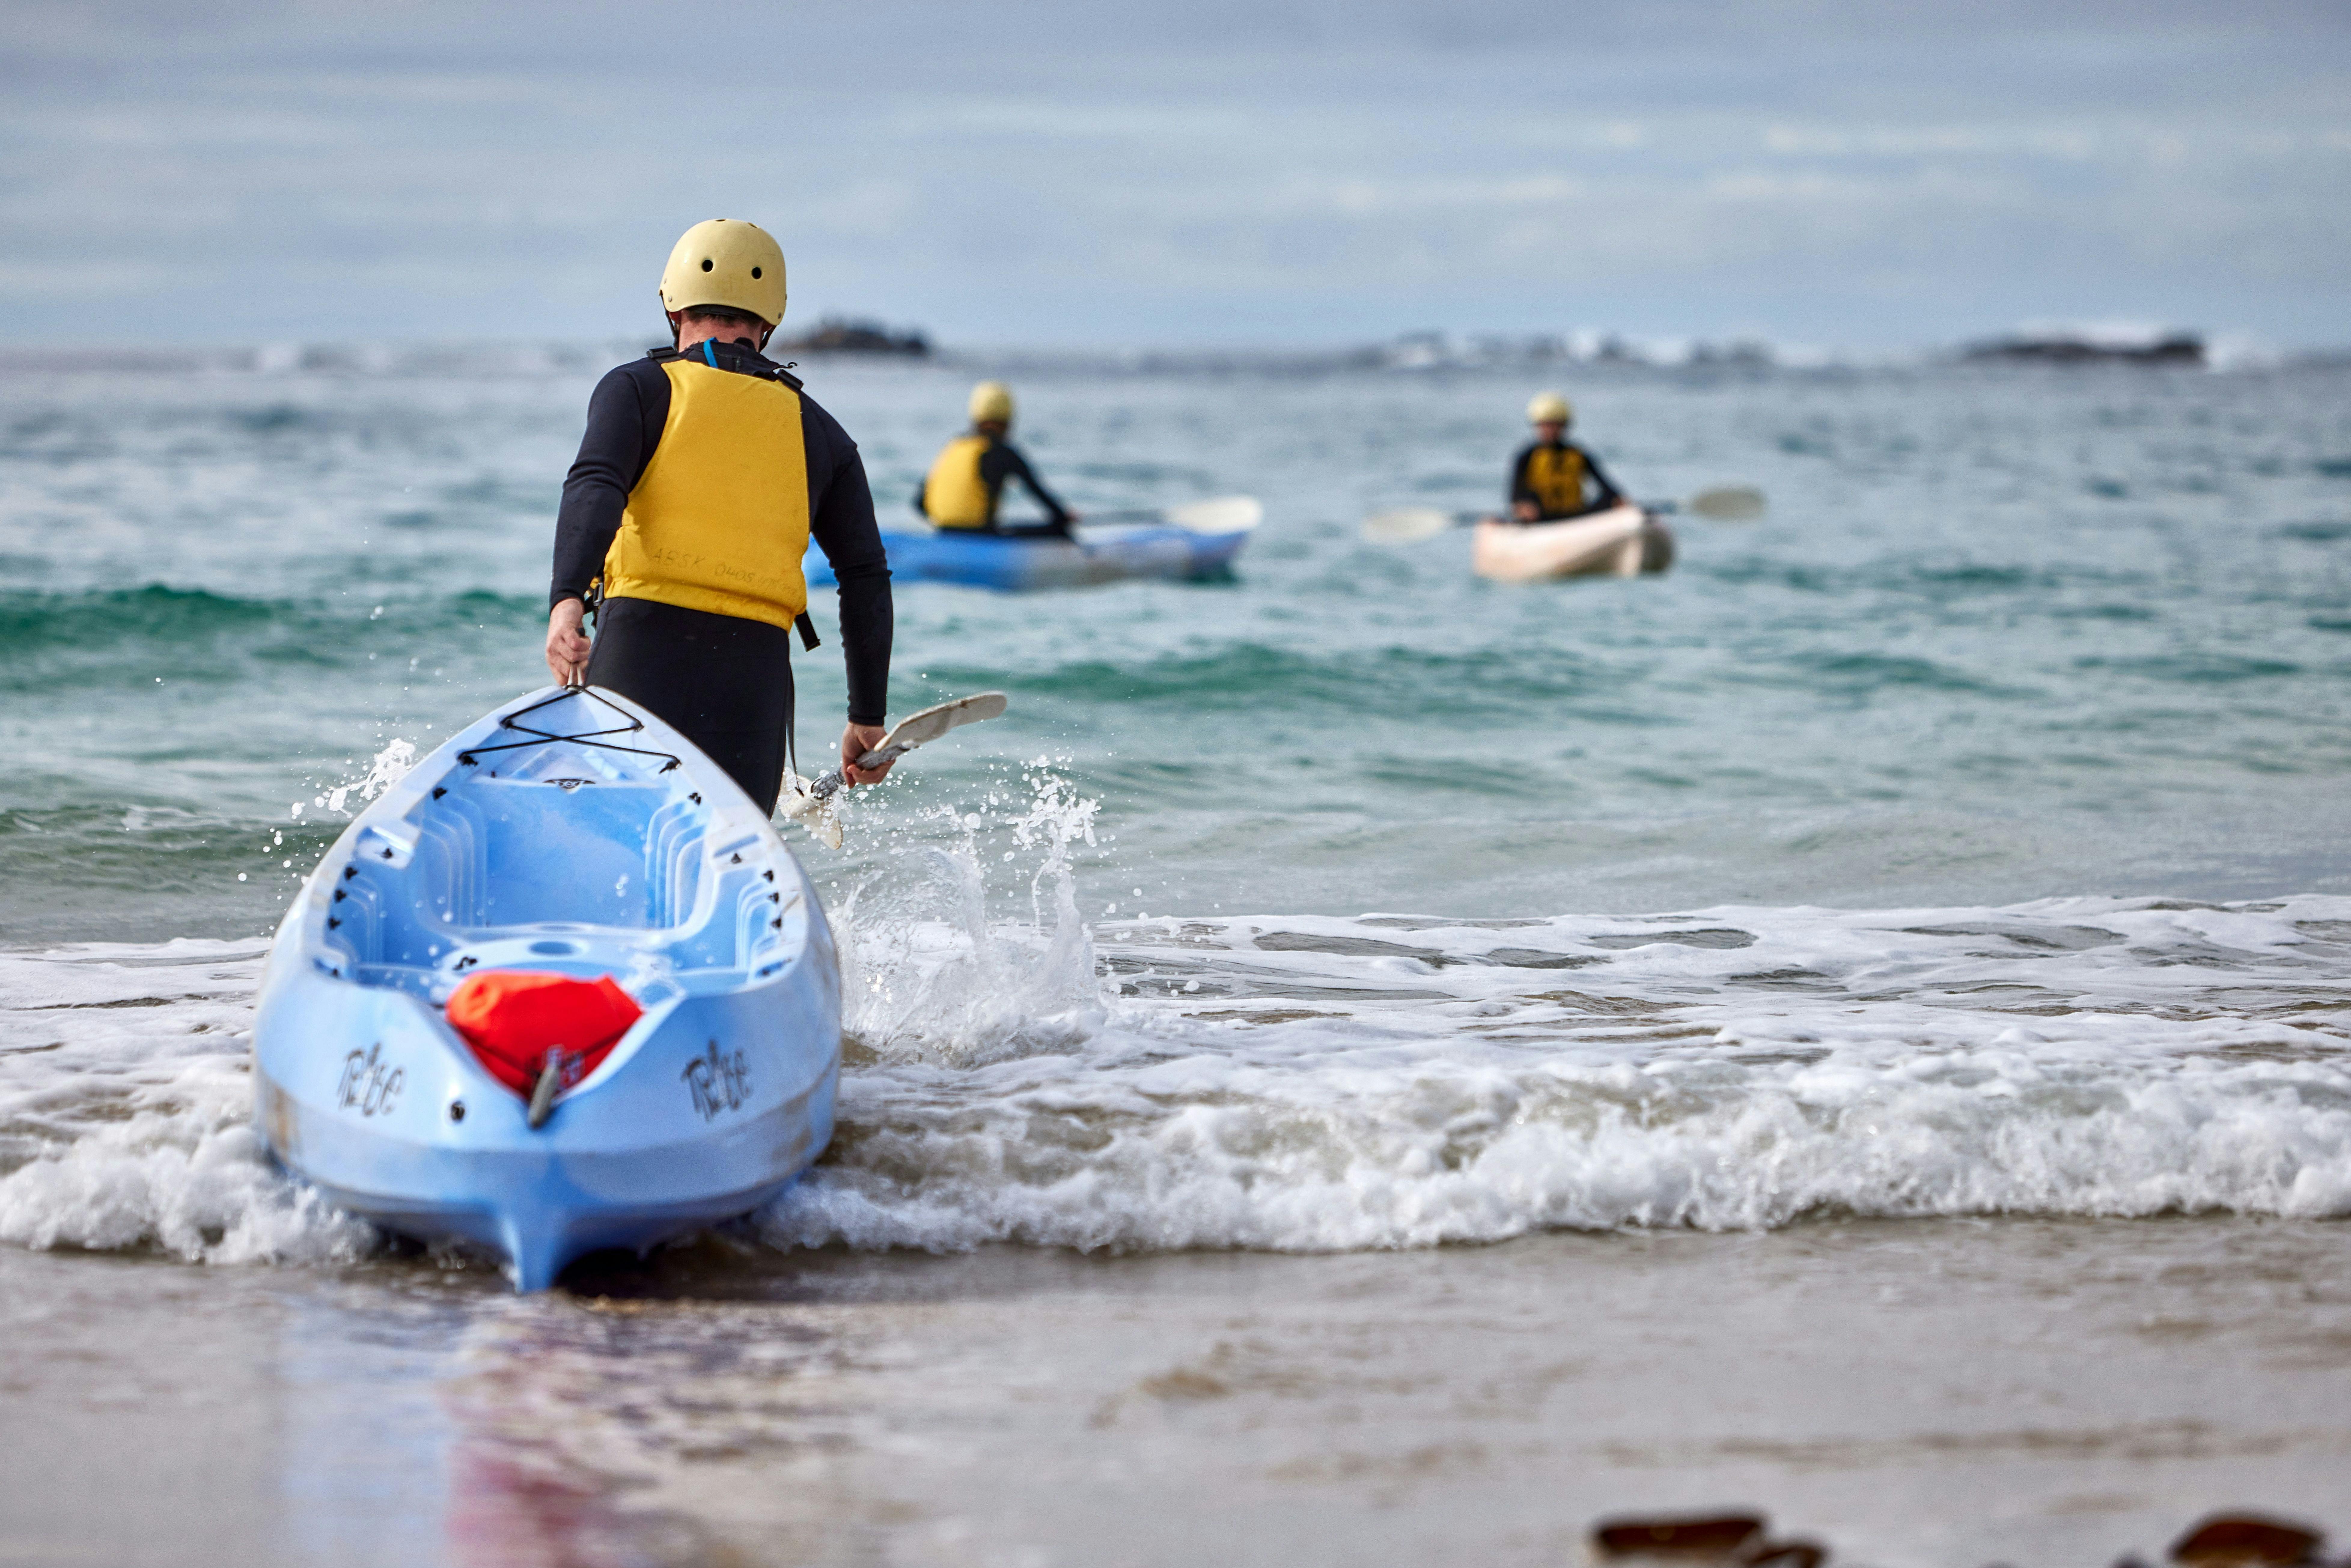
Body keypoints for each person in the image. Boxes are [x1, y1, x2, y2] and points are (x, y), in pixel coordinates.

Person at [543, 218, 895, 815]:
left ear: (674, 309)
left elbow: (596, 483)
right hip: (752, 682)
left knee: (618, 839)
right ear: (770, 320)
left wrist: (567, 600)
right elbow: (864, 573)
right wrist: (867, 716)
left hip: (640, 651)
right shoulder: (822, 432)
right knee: (724, 861)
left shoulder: (638, 389)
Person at [914, 381, 1080, 538]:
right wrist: (1065, 518)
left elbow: (920, 504)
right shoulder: (1003, 451)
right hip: (983, 539)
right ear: (1008, 419)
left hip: (944, 534)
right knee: (1059, 529)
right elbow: (1040, 495)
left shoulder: (954, 446)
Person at [1508, 391, 1626, 522]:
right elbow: (1515, 494)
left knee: (1613, 501)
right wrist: (1523, 506)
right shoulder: (1527, 457)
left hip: (1575, 516)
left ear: (1564, 426)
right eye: (1545, 425)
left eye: (1555, 425)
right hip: (1541, 519)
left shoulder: (1578, 455)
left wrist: (1618, 501)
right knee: (1524, 506)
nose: (1550, 430)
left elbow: (1607, 487)